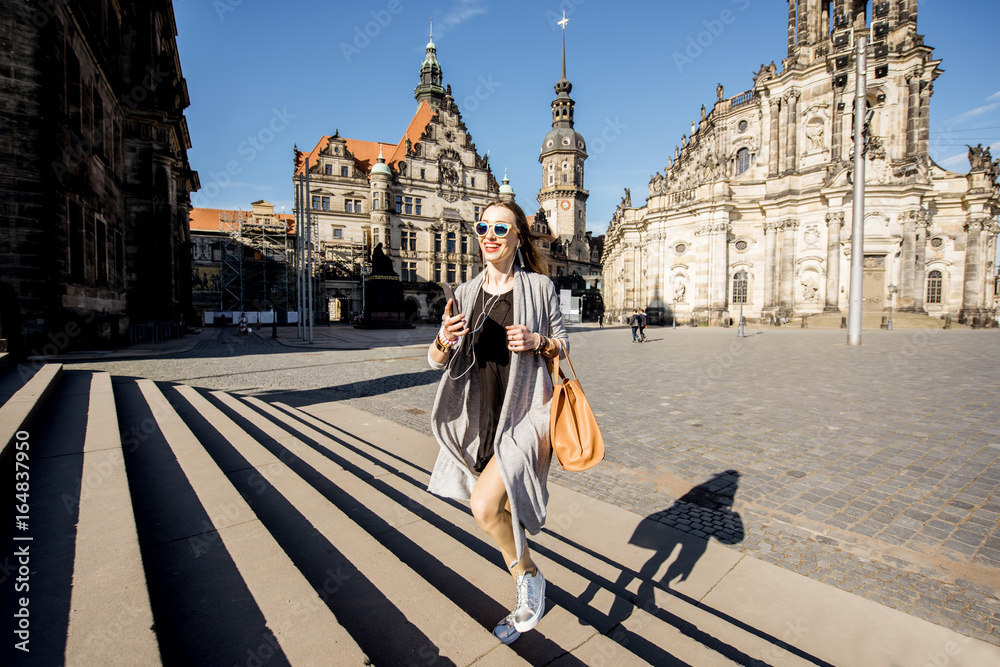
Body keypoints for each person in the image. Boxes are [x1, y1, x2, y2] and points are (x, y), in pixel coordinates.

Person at [427, 200, 567, 645]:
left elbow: (563, 347)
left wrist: (537, 339)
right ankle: (526, 575)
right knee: (500, 510)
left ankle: (528, 578)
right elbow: (434, 361)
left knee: (484, 506)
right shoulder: (465, 293)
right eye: (483, 226)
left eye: (500, 228)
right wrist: (443, 340)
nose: (489, 234)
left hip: (528, 413)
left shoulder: (540, 287)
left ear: (518, 238)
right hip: (485, 414)